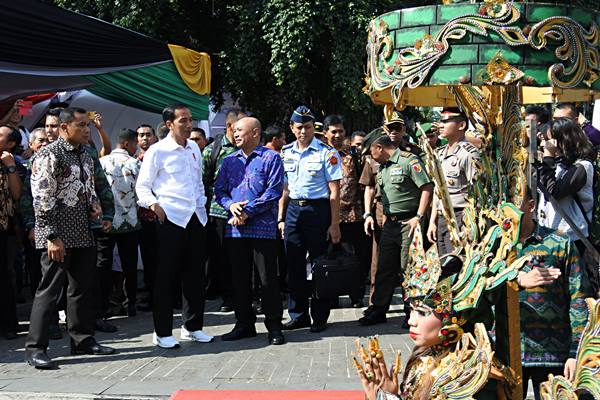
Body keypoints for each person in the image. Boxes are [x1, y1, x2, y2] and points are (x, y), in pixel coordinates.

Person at [25, 108, 115, 369]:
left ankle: (82, 339)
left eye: (88, 125)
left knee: (82, 288)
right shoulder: (48, 154)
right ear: (64, 128)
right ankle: (35, 348)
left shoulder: (86, 155)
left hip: (84, 230)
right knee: (50, 290)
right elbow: (41, 197)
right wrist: (51, 236)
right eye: (81, 125)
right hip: (57, 233)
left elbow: (88, 188)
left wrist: (99, 209)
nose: (87, 130)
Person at [136, 103, 213, 349]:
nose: (189, 124)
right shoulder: (157, 151)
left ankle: (192, 327)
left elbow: (198, 181)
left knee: (195, 275)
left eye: (190, 119)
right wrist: (154, 205)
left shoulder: (193, 148)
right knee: (166, 276)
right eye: (183, 120)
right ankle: (162, 332)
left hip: (195, 217)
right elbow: (142, 186)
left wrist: (201, 204)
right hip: (171, 218)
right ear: (169, 124)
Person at [214, 117, 285, 345]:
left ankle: (274, 325)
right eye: (234, 131)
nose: (235, 134)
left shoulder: (271, 157)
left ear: (255, 132)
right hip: (235, 231)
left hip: (262, 229)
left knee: (268, 280)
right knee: (239, 279)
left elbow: (273, 191)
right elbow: (219, 190)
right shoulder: (228, 161)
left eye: (240, 130)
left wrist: (247, 212)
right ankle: (244, 324)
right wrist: (231, 206)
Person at [516, 186, 591, 400]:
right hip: (506, 355)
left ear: (531, 206)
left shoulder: (559, 244)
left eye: (516, 203)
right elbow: (478, 293)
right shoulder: (492, 249)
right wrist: (517, 281)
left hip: (553, 356)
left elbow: (579, 299)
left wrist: (575, 353)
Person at [277, 105, 342, 333]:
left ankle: (320, 315)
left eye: (307, 127)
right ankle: (298, 314)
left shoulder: (326, 153)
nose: (303, 131)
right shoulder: (286, 152)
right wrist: (281, 219)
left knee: (319, 265)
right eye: (299, 127)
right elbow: (284, 189)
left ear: (313, 128)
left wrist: (334, 224)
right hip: (294, 210)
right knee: (293, 264)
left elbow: (335, 191)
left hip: (318, 210)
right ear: (292, 129)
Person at [358, 134, 433, 326]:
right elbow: (382, 196)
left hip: (410, 221)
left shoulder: (409, 161)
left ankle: (412, 312)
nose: (370, 157)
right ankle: (378, 309)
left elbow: (427, 187)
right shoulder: (383, 168)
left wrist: (419, 216)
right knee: (384, 268)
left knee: (408, 268)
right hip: (390, 224)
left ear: (379, 147)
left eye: (371, 152)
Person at [323, 115, 370, 308]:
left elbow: (366, 181)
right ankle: (331, 295)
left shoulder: (354, 154)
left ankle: (356, 295)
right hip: (326, 216)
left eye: (340, 131)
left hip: (354, 215)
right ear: (325, 133)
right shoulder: (319, 154)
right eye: (333, 131)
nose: (337, 135)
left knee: (358, 258)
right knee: (330, 258)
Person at [203, 109, 246, 311]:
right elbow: (203, 181)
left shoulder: (250, 149)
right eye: (240, 126)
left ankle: (249, 296)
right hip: (220, 212)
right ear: (230, 127)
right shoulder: (213, 150)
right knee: (222, 258)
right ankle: (228, 297)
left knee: (245, 258)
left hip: (247, 213)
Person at [537, 118, 595, 258]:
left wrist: (548, 157)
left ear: (563, 140)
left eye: (550, 140)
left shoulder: (583, 167)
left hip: (572, 238)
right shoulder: (560, 163)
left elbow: (553, 193)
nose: (546, 144)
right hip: (550, 235)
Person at [99, 128, 141, 318]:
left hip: (106, 221)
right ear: (127, 144)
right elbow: (141, 192)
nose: (136, 148)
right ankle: (130, 303)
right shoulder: (134, 163)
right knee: (129, 264)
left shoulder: (101, 162)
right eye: (135, 144)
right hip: (130, 221)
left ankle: (105, 305)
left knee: (104, 264)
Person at [426, 107, 480, 255]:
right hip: (442, 217)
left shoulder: (468, 153)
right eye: (440, 121)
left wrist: (470, 224)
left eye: (446, 121)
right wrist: (432, 221)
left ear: (461, 125)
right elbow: (438, 191)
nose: (440, 125)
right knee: (444, 266)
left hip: (460, 217)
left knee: (458, 264)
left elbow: (477, 193)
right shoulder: (440, 153)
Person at [0, 125, 23, 340]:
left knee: (5, 277)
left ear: (10, 144)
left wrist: (10, 166)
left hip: (3, 229)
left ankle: (8, 325)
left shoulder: (11, 163)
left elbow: (16, 194)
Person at [136, 124, 158, 311]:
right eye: (141, 135)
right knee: (150, 262)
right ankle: (152, 297)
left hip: (164, 216)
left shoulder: (160, 156)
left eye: (148, 135)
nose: (145, 138)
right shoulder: (135, 160)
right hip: (144, 219)